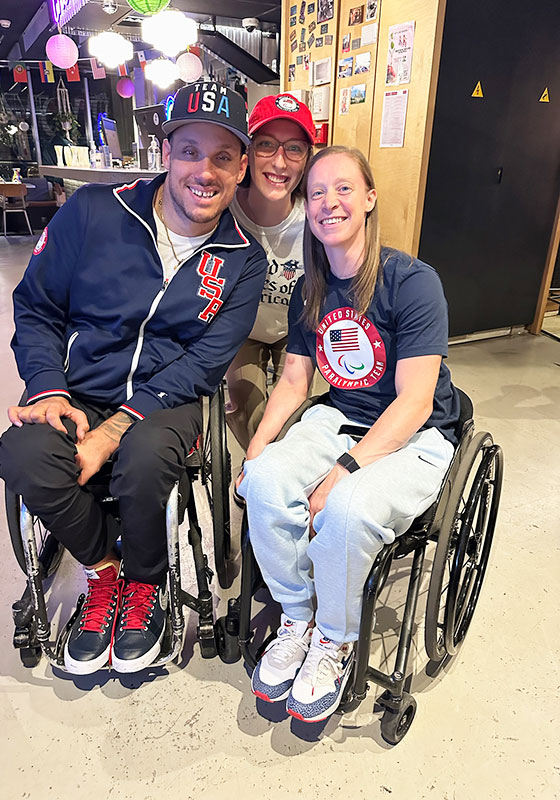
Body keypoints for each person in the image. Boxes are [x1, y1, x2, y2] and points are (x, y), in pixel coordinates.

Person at [0, 82, 267, 676]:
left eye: (224, 157)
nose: (205, 170)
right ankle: (105, 570)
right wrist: (46, 387)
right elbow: (37, 307)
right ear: (165, 150)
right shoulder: (93, 211)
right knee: (23, 454)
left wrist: (114, 430)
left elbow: (205, 361)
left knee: (143, 462)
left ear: (242, 166)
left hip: (165, 399)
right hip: (77, 386)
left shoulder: (244, 258)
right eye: (190, 149)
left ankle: (146, 583)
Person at [237, 146, 460, 722]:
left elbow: (413, 403)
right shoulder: (311, 287)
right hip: (339, 416)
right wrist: (259, 445)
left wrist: (343, 472)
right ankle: (297, 614)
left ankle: (335, 639)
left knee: (348, 508)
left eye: (342, 189)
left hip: (418, 433)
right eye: (315, 192)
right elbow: (293, 379)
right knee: (263, 481)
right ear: (304, 205)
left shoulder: (411, 282)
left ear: (368, 198)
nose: (328, 202)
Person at [226, 93, 316, 452]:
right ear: (246, 154)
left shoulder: (317, 217)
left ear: (307, 160)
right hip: (239, 330)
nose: (280, 161)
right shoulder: (223, 209)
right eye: (266, 145)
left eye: (294, 149)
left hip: (296, 330)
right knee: (247, 409)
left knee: (297, 418)